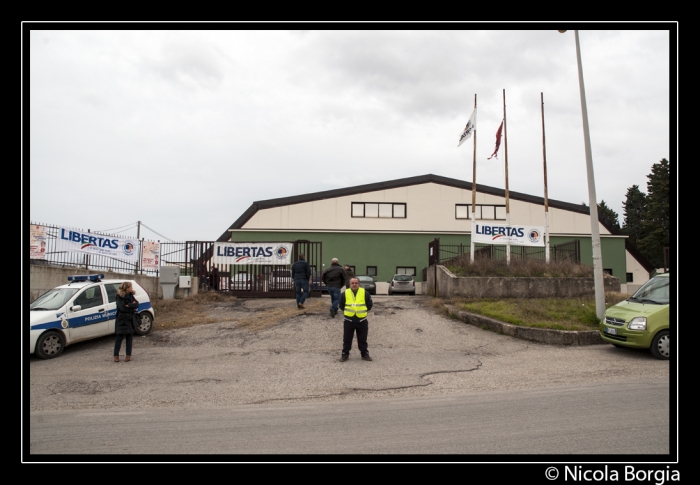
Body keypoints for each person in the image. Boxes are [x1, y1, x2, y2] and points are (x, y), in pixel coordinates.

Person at [338, 277, 373, 362]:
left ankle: (364, 354)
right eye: (352, 283)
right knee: (347, 339)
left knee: (362, 339)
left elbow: (369, 305)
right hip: (349, 320)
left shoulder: (365, 293)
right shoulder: (345, 293)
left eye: (356, 283)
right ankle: (345, 354)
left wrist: (362, 312)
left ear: (359, 284)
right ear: (350, 284)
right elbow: (341, 305)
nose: (354, 284)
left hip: (362, 320)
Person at [114, 281, 139, 362]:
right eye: (131, 287)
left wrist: (130, 305)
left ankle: (128, 355)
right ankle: (116, 355)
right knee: (119, 338)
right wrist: (131, 306)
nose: (132, 288)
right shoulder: (119, 297)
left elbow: (137, 304)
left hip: (130, 319)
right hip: (121, 320)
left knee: (129, 338)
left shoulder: (131, 295)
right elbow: (122, 308)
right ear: (127, 288)